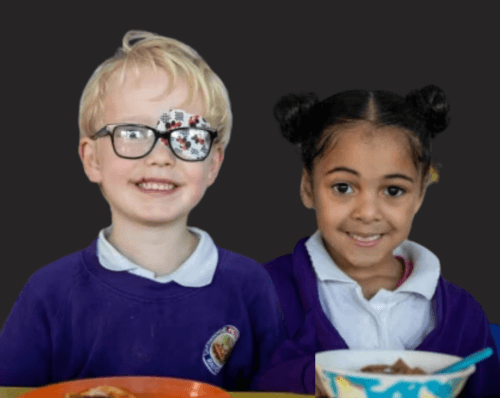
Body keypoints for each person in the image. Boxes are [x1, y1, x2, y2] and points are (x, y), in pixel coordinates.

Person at [0, 31, 284, 390]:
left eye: (187, 136)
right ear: (92, 159)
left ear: (213, 163)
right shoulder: (48, 293)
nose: (160, 157)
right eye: (133, 133)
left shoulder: (250, 286)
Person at [259, 86, 500, 397]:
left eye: (394, 190)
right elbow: (228, 386)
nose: (368, 213)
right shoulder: (260, 293)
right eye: (343, 187)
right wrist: (306, 380)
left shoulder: (464, 316)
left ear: (421, 193)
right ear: (308, 187)